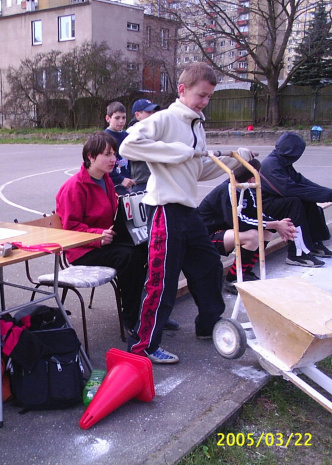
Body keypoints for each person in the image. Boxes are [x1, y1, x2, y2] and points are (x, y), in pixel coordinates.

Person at [119, 62, 255, 364]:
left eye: (209, 97)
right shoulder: (166, 119)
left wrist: (237, 160)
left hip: (187, 210)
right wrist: (177, 152)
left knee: (208, 266)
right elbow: (129, 145)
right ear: (182, 90)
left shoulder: (197, 125)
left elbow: (198, 170)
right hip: (165, 209)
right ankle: (143, 346)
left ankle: (209, 326)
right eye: (200, 95)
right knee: (161, 280)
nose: (204, 102)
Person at [55, 132, 148, 336]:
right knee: (129, 258)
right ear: (90, 156)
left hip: (104, 241)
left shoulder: (105, 179)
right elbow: (69, 229)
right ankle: (131, 319)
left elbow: (113, 214)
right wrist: (98, 236)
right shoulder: (74, 187)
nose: (113, 159)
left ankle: (146, 312)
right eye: (107, 154)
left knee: (146, 248)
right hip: (81, 250)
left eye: (114, 154)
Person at [197, 159, 297, 294]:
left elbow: (256, 213)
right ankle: (232, 279)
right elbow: (238, 222)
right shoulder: (228, 189)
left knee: (267, 232)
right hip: (204, 236)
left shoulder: (245, 189)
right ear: (251, 178)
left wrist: (278, 224)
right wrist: (275, 224)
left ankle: (245, 272)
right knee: (252, 236)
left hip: (223, 232)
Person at [259, 132, 332, 267]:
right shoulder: (271, 165)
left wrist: (327, 193)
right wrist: (327, 195)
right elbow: (287, 189)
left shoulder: (282, 163)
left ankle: (314, 243)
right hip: (263, 206)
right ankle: (297, 254)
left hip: (274, 202)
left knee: (307, 199)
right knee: (294, 202)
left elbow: (301, 182)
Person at [127, 99, 161, 193]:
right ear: (138, 115)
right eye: (149, 112)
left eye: (154, 112)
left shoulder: (154, 130)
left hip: (155, 180)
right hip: (141, 183)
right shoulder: (132, 132)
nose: (153, 115)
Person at [104, 102, 135, 195]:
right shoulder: (105, 137)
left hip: (128, 184)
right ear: (108, 118)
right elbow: (104, 164)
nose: (121, 121)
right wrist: (121, 179)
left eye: (123, 117)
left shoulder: (127, 136)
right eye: (117, 118)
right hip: (113, 185)